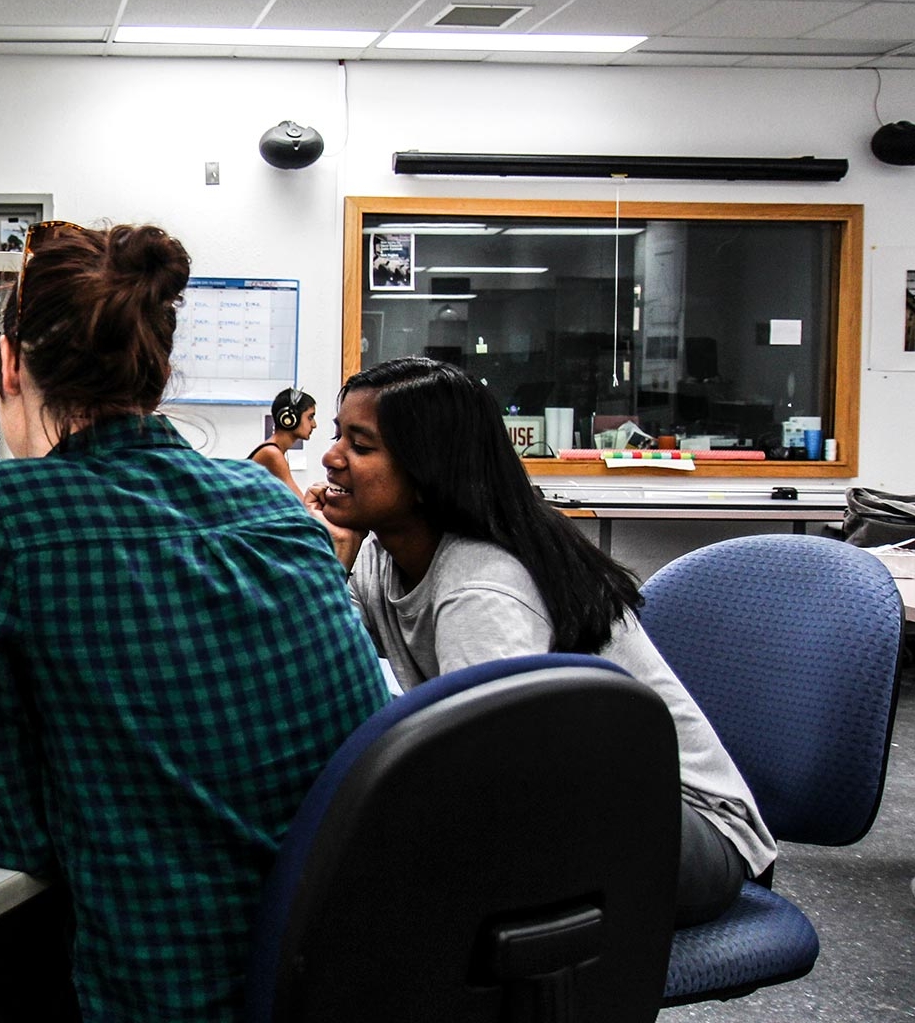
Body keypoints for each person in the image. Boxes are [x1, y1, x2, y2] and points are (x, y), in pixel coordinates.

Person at [0, 221, 391, 1022]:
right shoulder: (263, 498)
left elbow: (12, 835)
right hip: (336, 969)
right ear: (156, 368)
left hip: (167, 996)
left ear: (8, 363)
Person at [304, 356, 777, 929]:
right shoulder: (386, 552)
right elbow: (325, 665)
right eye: (337, 435)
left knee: (405, 876)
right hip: (572, 799)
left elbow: (497, 775)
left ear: (428, 467)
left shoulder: (481, 586)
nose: (331, 457)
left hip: (689, 828)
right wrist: (329, 562)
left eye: (361, 445)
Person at [247, 386, 317, 498]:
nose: (314, 425)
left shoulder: (273, 450)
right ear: (290, 418)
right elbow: (300, 504)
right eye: (310, 417)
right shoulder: (271, 454)